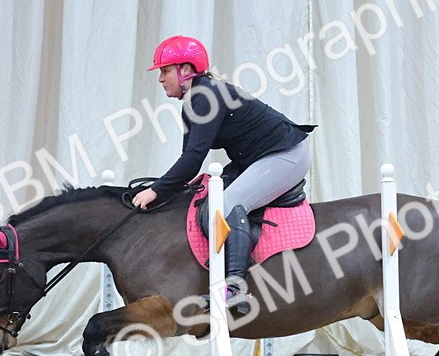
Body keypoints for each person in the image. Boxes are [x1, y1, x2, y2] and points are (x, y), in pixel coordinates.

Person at [134, 35, 314, 314]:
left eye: (165, 70)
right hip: (256, 158)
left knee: (226, 205)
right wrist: (165, 191)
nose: (160, 78)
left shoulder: (207, 96)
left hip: (287, 154)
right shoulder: (192, 104)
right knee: (202, 195)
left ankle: (234, 289)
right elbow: (188, 161)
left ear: (185, 70)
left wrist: (156, 190)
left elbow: (193, 159)